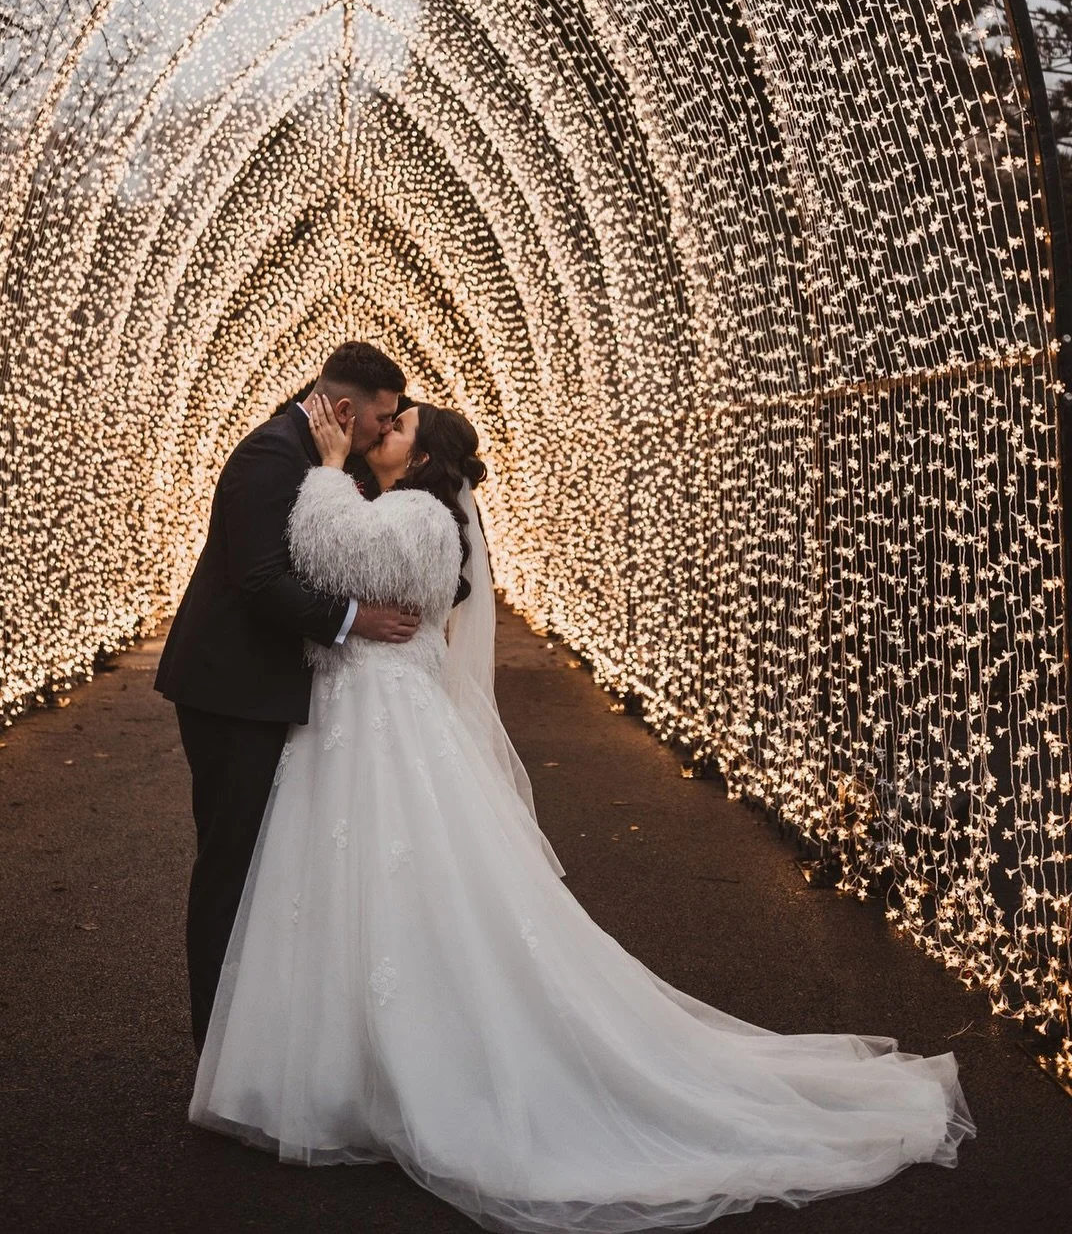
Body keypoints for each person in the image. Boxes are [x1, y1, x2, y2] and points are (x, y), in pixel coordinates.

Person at [190, 395, 974, 1233]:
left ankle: (381, 1065)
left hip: (388, 731)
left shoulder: (419, 518)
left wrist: (319, 467)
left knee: (394, 888)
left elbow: (324, 546)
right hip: (362, 728)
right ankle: (341, 1063)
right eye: (387, 422)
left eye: (401, 426)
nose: (385, 431)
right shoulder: (403, 506)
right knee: (352, 892)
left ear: (423, 460)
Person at [154, 340, 421, 1049]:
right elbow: (262, 581)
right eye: (380, 418)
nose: (384, 432)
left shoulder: (320, 456)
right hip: (231, 690)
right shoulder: (269, 457)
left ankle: (255, 1037)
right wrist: (357, 619)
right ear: (343, 408)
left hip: (265, 686)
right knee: (229, 863)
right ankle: (214, 1043)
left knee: (264, 868)